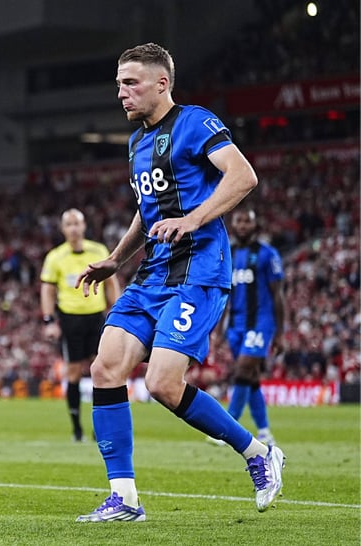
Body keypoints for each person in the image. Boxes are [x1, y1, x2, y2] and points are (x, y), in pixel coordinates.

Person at [73, 43, 285, 523]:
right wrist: (115, 259)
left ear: (161, 83)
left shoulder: (195, 122)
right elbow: (146, 211)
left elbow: (243, 176)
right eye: (119, 84)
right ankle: (125, 498)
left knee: (163, 383)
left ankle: (258, 453)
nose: (121, 93)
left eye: (131, 83)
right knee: (105, 368)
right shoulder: (136, 143)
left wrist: (193, 219)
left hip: (199, 271)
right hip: (153, 273)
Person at [40, 208, 120, 442]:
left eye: (77, 223)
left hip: (96, 317)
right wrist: (49, 320)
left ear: (84, 226)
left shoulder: (99, 250)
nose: (74, 228)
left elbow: (111, 283)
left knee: (102, 371)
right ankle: (77, 430)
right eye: (69, 224)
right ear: (63, 229)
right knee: (73, 372)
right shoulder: (55, 257)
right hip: (70, 319)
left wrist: (117, 312)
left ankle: (100, 427)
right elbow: (48, 290)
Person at [208, 207, 285, 447]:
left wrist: (280, 333)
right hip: (236, 325)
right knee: (250, 379)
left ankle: (227, 429)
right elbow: (225, 295)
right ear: (233, 225)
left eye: (247, 221)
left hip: (260, 323)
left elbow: (278, 296)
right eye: (239, 221)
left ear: (255, 225)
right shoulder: (228, 254)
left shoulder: (267, 254)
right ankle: (264, 431)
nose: (242, 225)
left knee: (242, 371)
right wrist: (219, 329)